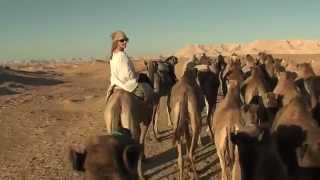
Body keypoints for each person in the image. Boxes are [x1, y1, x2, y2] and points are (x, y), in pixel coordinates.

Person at [105, 31, 153, 103]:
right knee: (148, 91)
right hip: (127, 85)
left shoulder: (112, 55)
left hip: (115, 85)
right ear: (116, 42)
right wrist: (137, 75)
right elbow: (128, 75)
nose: (125, 42)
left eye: (126, 40)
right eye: (122, 40)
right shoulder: (122, 55)